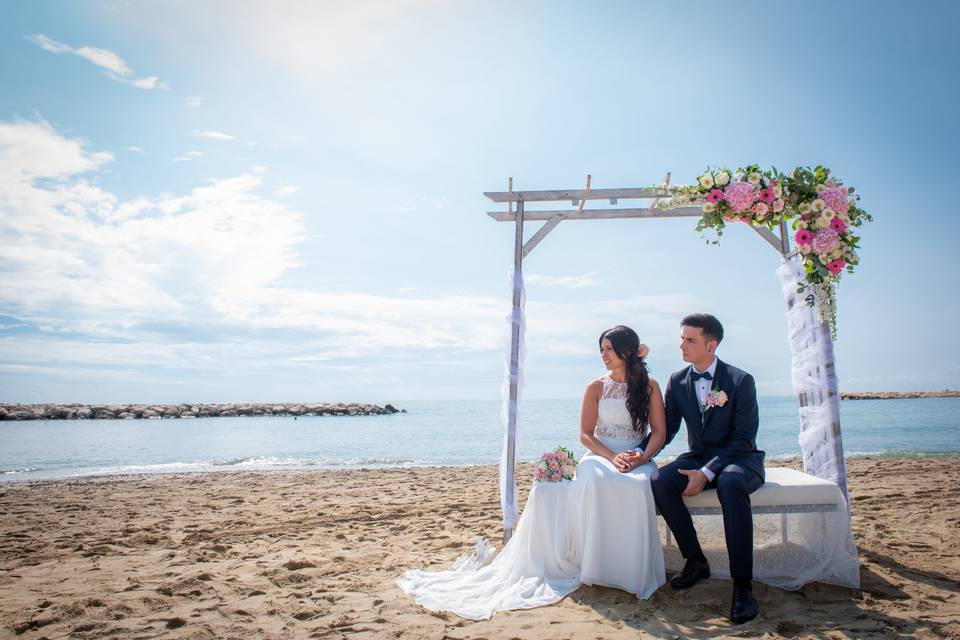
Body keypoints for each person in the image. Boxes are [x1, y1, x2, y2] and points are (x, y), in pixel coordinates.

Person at [395, 325, 666, 619]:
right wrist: (612, 457)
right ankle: (598, 566)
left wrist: (641, 457)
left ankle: (630, 570)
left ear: (627, 350)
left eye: (609, 349)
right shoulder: (595, 387)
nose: (603, 355)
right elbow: (586, 435)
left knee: (638, 486)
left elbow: (659, 432)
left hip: (636, 456)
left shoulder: (649, 385)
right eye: (601, 349)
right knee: (595, 479)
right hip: (601, 454)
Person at [646, 313, 765, 625]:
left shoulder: (741, 381)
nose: (681, 345)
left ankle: (742, 586)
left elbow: (743, 440)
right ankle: (695, 560)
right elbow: (666, 430)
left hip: (740, 460)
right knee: (660, 481)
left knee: (729, 483)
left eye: (690, 339)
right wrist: (637, 453)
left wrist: (707, 473)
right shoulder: (677, 381)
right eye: (682, 338)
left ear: (711, 345)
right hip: (698, 455)